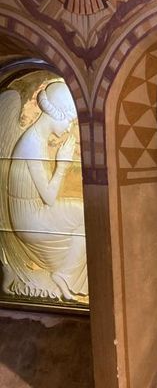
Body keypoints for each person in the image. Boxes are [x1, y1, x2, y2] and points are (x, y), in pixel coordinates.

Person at [8, 82, 87, 301]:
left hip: (33, 213)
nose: (70, 128)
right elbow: (50, 198)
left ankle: (64, 274)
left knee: (83, 214)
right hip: (30, 219)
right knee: (83, 215)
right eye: (70, 121)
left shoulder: (38, 138)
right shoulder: (32, 144)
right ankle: (64, 275)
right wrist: (62, 165)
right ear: (58, 114)